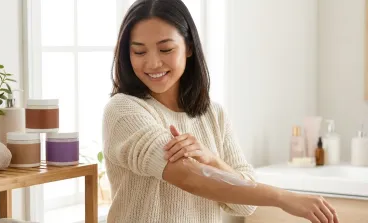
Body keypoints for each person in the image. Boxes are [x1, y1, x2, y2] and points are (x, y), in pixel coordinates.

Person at [102, 0, 339, 222]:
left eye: (165, 50)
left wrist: (212, 160)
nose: (153, 63)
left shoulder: (213, 115)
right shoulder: (124, 111)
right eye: (139, 52)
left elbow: (244, 206)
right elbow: (188, 176)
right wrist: (283, 197)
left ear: (189, 48)